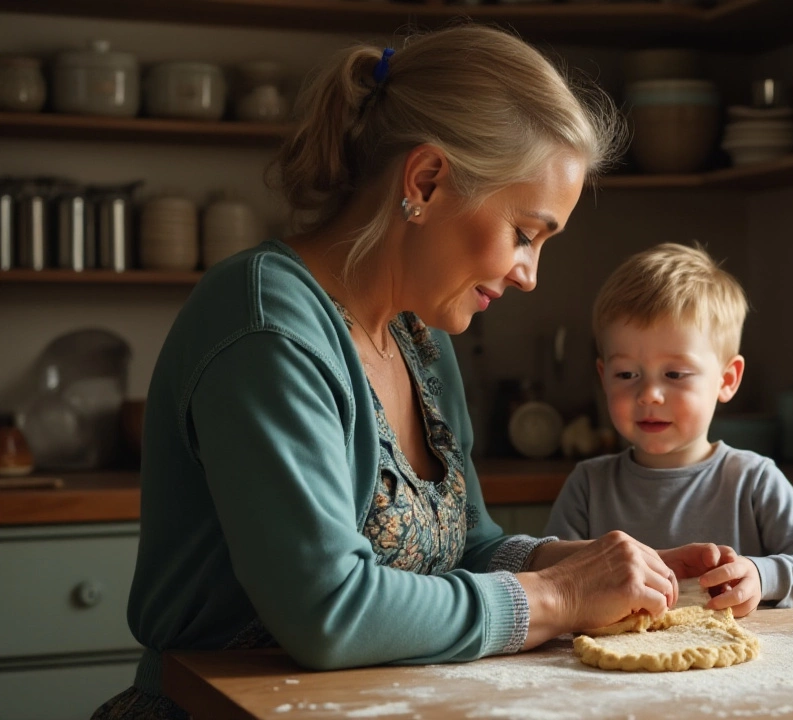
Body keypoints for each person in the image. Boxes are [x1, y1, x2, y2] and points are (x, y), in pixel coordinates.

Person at [94, 27, 730, 719]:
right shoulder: (264, 327)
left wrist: (592, 568)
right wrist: (562, 598)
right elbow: (328, 610)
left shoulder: (418, 335)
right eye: (524, 233)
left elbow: (469, 543)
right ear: (425, 181)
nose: (529, 275)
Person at [544, 243, 793, 617]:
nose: (649, 394)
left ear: (727, 379)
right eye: (626, 374)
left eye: (674, 374)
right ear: (603, 377)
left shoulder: (752, 480)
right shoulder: (588, 486)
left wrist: (762, 575)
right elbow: (549, 582)